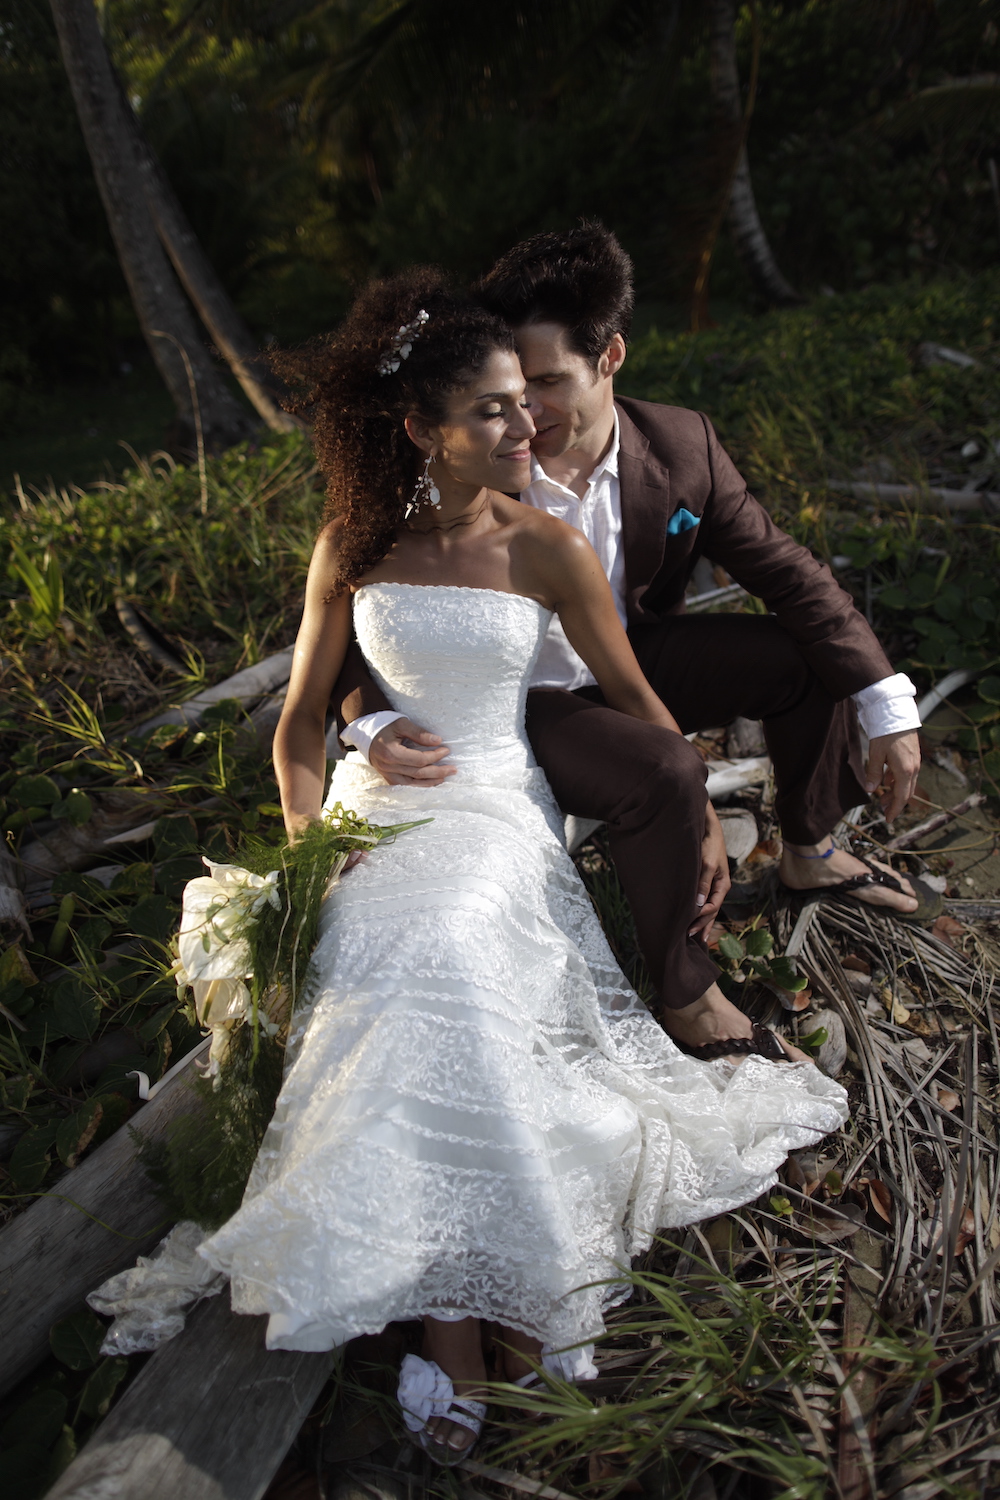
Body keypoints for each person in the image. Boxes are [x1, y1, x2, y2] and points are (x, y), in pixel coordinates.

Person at [197, 270, 849, 1465]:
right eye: (493, 409)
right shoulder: (354, 541)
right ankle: (453, 1318)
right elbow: (298, 725)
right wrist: (308, 861)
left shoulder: (544, 545)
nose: (522, 424)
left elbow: (642, 701)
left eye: (524, 402)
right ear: (421, 430)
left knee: (450, 944)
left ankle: (489, 1284)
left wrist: (697, 810)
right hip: (375, 811)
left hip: (498, 796)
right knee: (376, 959)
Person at [332, 224, 924, 1062]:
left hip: (627, 662)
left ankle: (810, 847)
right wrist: (365, 720)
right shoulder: (467, 457)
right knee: (662, 772)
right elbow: (370, 609)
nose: (525, 414)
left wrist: (886, 702)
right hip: (513, 703)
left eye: (546, 382)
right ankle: (683, 988)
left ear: (610, 356)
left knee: (801, 656)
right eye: (510, 388)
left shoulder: (683, 448)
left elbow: (790, 573)